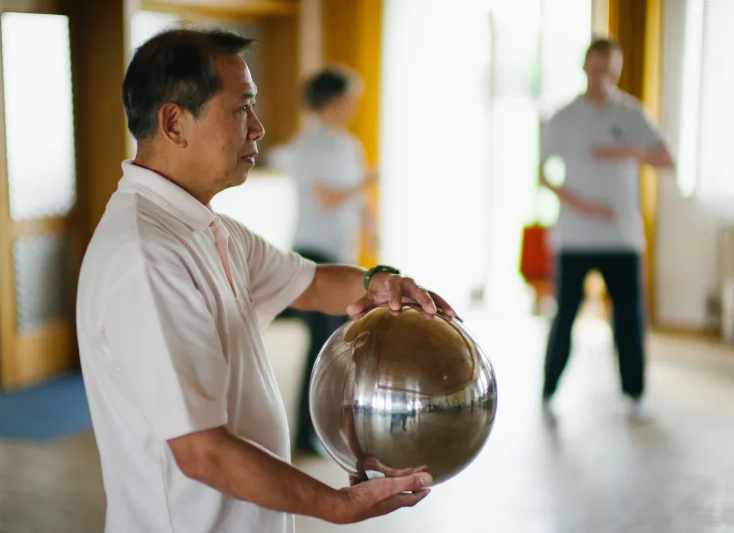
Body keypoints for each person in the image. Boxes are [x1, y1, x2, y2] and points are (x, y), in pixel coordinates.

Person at [76, 28, 454, 532]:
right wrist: (335, 505)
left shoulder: (210, 229)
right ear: (173, 122)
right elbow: (201, 452)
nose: (257, 128)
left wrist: (383, 280)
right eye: (241, 109)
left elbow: (315, 283)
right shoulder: (147, 256)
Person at [538, 37, 674, 422]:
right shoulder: (563, 117)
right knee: (565, 317)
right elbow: (542, 172)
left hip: (623, 237)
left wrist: (628, 151)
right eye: (596, 70)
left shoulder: (632, 113)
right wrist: (579, 203)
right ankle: (548, 391)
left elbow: (666, 157)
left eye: (610, 72)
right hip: (574, 237)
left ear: (617, 71)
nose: (602, 78)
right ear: (585, 68)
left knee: (629, 319)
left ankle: (635, 394)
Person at [285, 67, 377, 454]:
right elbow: (326, 198)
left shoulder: (349, 145)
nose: (353, 105)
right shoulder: (306, 145)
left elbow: (358, 200)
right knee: (321, 346)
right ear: (334, 100)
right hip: (314, 253)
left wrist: (371, 227)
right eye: (350, 97)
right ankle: (306, 433)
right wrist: (365, 182)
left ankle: (331, 428)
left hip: (342, 254)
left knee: (341, 344)